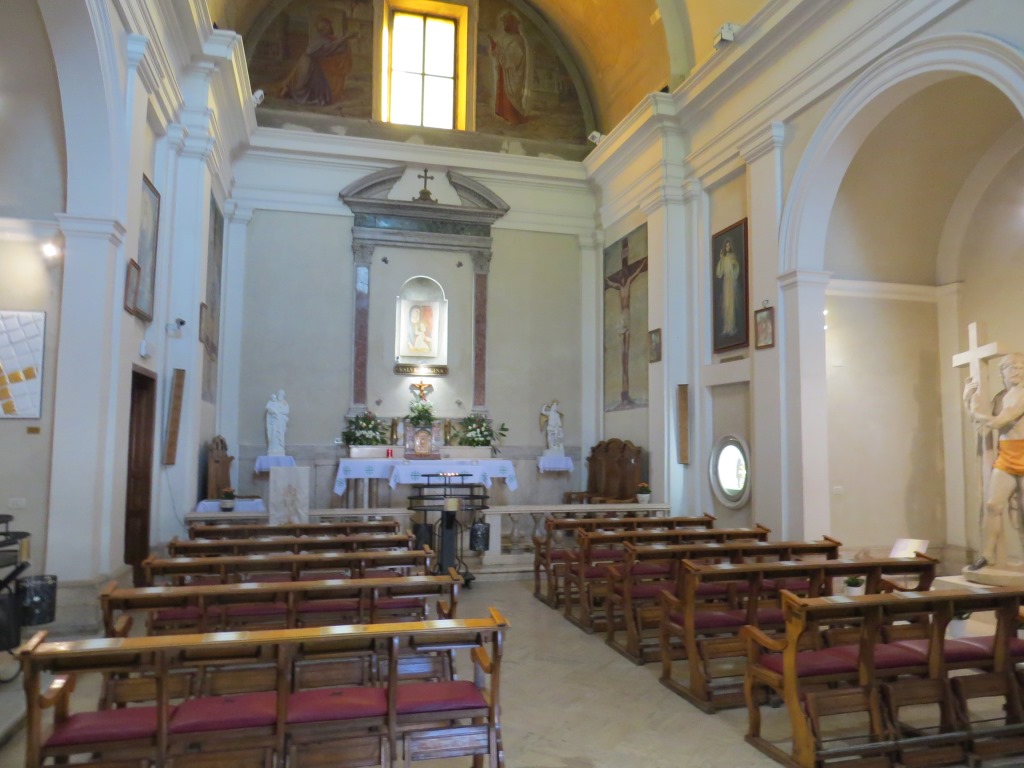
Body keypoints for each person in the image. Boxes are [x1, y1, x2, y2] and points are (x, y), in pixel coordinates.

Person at [964, 352, 1024, 570]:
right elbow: (981, 424)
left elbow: (998, 422)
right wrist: (967, 399)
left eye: (1021, 368)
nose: (1017, 372)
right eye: (1012, 368)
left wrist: (974, 411)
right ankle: (988, 554)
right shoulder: (1000, 397)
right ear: (1002, 372)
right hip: (1007, 456)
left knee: (1022, 512)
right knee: (993, 505)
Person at [279, 14, 356, 107]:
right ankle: (291, 92)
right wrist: (345, 37)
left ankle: (289, 90)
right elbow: (330, 48)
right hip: (309, 64)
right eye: (329, 26)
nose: (331, 28)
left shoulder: (324, 39)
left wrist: (344, 41)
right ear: (325, 28)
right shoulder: (321, 40)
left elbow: (332, 48)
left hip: (310, 63)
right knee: (305, 86)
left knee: (308, 85)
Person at [489, 11, 528, 125]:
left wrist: (502, 53)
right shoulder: (504, 38)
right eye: (504, 23)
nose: (504, 25)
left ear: (511, 24)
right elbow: (499, 52)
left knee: (511, 95)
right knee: (503, 92)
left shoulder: (517, 40)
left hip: (512, 73)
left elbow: (516, 57)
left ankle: (514, 117)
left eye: (506, 23)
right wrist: (494, 47)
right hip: (504, 72)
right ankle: (505, 114)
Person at [716, 238, 740, 337]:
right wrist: (721, 259)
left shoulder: (732, 257)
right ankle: (726, 327)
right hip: (726, 282)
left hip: (731, 281)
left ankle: (731, 327)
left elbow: (736, 269)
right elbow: (719, 273)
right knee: (726, 305)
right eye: (726, 246)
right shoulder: (724, 258)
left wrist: (734, 266)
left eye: (729, 246)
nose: (727, 247)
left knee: (731, 304)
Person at [266, 389, 290, 455]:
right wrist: (273, 412)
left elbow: (286, 411)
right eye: (279, 394)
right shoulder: (273, 402)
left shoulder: (285, 403)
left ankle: (280, 447)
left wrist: (279, 411)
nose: (280, 395)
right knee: (274, 434)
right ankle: (273, 448)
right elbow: (269, 409)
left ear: (283, 395)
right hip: (274, 422)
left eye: (282, 394)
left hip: (281, 422)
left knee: (280, 435)